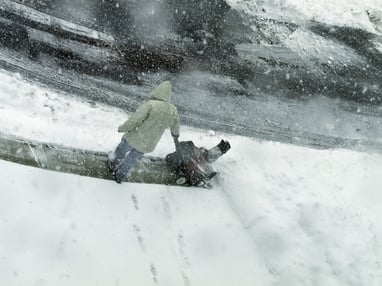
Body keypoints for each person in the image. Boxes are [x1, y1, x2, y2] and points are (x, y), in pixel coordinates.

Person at [108, 81, 181, 183]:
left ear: (158, 91)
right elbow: (175, 125)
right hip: (149, 143)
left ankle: (112, 164)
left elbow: (135, 119)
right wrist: (175, 135)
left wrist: (123, 128)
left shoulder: (151, 105)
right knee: (132, 159)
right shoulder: (173, 110)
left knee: (121, 151)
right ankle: (120, 175)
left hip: (134, 137)